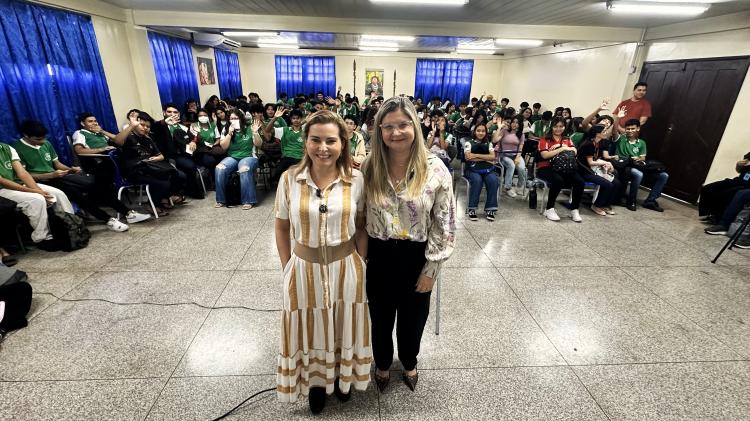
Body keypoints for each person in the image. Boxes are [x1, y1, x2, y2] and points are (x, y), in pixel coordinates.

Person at [274, 110, 371, 414]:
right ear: (306, 141)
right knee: (311, 327)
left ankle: (342, 378)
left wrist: (361, 262)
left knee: (342, 324)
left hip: (346, 267)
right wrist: (287, 267)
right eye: (315, 140)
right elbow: (281, 226)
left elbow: (362, 225)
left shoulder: (356, 179)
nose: (323, 148)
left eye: (331, 140)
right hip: (305, 268)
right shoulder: (290, 179)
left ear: (343, 143)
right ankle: (316, 384)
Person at [362, 96, 455, 393]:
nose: (396, 132)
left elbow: (444, 223)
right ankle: (382, 362)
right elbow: (359, 214)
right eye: (388, 126)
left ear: (415, 125)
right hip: (378, 253)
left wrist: (432, 270)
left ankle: (409, 361)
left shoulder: (435, 169)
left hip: (417, 255)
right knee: (380, 317)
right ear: (379, 130)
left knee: (413, 319)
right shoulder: (370, 166)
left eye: (403, 125)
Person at [13, 120, 133, 232]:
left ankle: (128, 212)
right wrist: (51, 174)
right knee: (75, 194)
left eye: (44, 138)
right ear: (26, 136)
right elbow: (24, 175)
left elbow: (57, 164)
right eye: (38, 139)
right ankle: (108, 219)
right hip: (41, 181)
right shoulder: (17, 149)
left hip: (57, 176)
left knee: (97, 185)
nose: (43, 141)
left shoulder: (46, 143)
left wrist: (70, 169)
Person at [72, 113, 151, 224]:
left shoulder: (100, 133)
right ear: (82, 123)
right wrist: (101, 149)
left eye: (95, 121)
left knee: (101, 189)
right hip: (98, 164)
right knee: (103, 189)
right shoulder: (80, 133)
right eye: (90, 121)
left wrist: (103, 131)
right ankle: (128, 213)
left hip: (113, 161)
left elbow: (118, 140)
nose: (94, 123)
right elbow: (79, 151)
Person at [0, 142, 74, 250]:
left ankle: (72, 226)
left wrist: (39, 190)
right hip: (2, 190)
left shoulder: (6, 148)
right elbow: (2, 181)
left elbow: (23, 173)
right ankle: (43, 238)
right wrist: (35, 192)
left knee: (58, 194)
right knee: (36, 199)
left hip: (18, 183)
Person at [119, 112, 185, 216]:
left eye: (148, 126)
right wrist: (131, 126)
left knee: (177, 175)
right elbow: (117, 141)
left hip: (150, 167)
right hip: (135, 171)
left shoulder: (147, 138)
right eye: (142, 125)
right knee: (164, 184)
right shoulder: (128, 137)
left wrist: (155, 159)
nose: (145, 128)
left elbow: (161, 156)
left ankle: (163, 198)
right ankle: (152, 205)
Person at [537, 117, 585, 222]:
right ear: (551, 127)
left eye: (561, 126)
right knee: (558, 180)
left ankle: (574, 209)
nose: (558, 129)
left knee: (580, 182)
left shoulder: (567, 139)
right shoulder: (544, 139)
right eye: (555, 126)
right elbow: (545, 155)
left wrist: (561, 147)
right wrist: (562, 148)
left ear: (564, 127)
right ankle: (549, 208)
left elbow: (574, 151)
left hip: (564, 167)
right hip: (546, 167)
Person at [616, 119, 669, 212]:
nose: (630, 131)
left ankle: (650, 201)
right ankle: (631, 201)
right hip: (625, 165)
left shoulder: (641, 142)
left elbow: (642, 158)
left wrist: (637, 158)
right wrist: (617, 118)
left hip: (638, 165)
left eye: (633, 128)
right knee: (638, 174)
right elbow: (614, 131)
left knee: (664, 175)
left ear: (638, 129)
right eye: (628, 129)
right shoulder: (621, 138)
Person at [215, 109, 263, 209]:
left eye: (236, 118)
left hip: (249, 156)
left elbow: (259, 144)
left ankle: (248, 200)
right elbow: (223, 147)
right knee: (219, 168)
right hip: (232, 157)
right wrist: (229, 134)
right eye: (231, 118)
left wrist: (255, 133)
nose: (234, 120)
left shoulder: (249, 127)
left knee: (244, 168)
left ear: (241, 119)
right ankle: (221, 199)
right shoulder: (226, 129)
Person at [151, 103, 198, 199]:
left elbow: (193, 136)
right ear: (164, 113)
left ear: (178, 114)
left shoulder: (182, 126)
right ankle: (181, 192)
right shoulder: (160, 126)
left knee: (195, 162)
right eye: (169, 112)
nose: (172, 114)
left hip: (183, 153)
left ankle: (190, 190)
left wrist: (193, 141)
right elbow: (154, 127)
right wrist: (165, 123)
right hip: (167, 156)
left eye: (175, 112)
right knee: (189, 166)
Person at [577, 124, 621, 216]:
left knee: (616, 183)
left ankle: (605, 205)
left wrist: (606, 164)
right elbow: (590, 162)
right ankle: (596, 205)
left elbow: (596, 159)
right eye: (604, 131)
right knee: (608, 184)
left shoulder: (598, 143)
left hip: (593, 169)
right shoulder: (588, 144)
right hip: (584, 171)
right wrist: (605, 163)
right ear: (597, 134)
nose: (606, 133)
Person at [699, 151, 750, 223]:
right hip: (738, 181)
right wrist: (738, 165)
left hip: (747, 187)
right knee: (708, 188)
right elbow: (739, 171)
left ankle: (717, 218)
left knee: (726, 193)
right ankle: (709, 213)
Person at [465, 123, 499, 221]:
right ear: (475, 132)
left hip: (488, 169)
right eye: (478, 131)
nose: (481, 133)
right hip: (472, 169)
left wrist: (475, 155)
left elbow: (493, 157)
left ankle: (490, 209)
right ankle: (472, 208)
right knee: (477, 180)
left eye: (483, 131)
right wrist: (486, 158)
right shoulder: (468, 143)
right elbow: (468, 158)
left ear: (486, 132)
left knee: (493, 180)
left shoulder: (489, 144)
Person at [264, 108, 305, 180]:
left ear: (301, 119)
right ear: (291, 119)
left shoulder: (306, 132)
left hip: (301, 158)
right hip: (287, 157)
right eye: (294, 118)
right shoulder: (284, 130)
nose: (296, 120)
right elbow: (267, 130)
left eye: (298, 118)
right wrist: (275, 118)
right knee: (277, 175)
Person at [493, 115, 527, 198]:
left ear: (520, 124)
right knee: (511, 165)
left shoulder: (521, 134)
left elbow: (520, 148)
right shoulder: (504, 131)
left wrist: (518, 157)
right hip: (503, 155)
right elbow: (494, 140)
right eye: (513, 122)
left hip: (516, 154)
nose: (514, 124)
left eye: (517, 123)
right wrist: (499, 128)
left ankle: (519, 186)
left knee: (522, 168)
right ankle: (507, 187)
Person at [189, 108, 222, 177]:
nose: (203, 117)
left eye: (205, 115)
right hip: (201, 151)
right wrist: (197, 133)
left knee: (222, 157)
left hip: (212, 148)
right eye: (200, 116)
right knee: (211, 161)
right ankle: (214, 179)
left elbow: (218, 139)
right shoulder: (194, 125)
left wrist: (213, 144)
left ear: (208, 116)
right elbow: (193, 140)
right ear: (197, 117)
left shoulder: (213, 125)